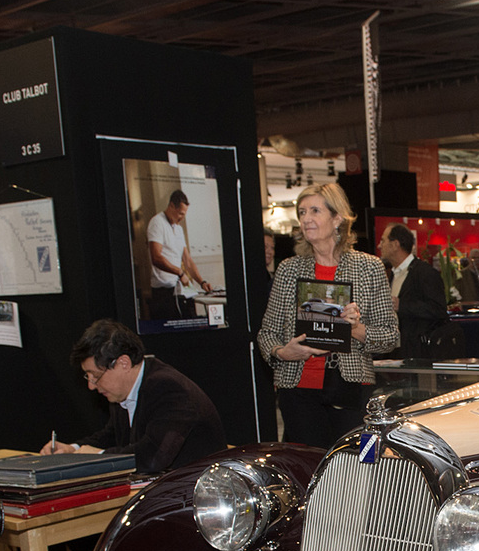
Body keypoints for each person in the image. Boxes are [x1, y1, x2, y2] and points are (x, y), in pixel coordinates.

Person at [257, 183, 398, 449]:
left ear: (337, 218)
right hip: (297, 390)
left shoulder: (369, 267)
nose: (306, 219)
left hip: (353, 391)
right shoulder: (288, 270)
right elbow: (266, 334)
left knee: (358, 466)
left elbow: (391, 335)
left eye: (315, 211)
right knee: (309, 470)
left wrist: (355, 329)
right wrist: (281, 352)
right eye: (301, 212)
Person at [40, 320, 225, 474]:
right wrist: (73, 449)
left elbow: (152, 458)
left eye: (96, 376)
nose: (91, 385)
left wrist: (96, 457)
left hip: (197, 497)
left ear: (123, 363)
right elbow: (112, 436)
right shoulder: (124, 389)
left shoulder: (169, 389)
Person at [378, 222, 453, 358]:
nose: (379, 245)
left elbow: (438, 310)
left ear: (395, 244)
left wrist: (402, 305)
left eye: (383, 241)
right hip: (395, 353)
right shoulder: (392, 274)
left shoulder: (425, 273)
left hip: (418, 354)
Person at [147, 190, 214, 321]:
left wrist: (202, 282)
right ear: (171, 206)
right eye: (180, 214)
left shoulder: (178, 228)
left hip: (177, 290)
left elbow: (187, 260)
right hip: (163, 292)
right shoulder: (157, 223)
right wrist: (180, 272)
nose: (182, 218)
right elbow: (156, 257)